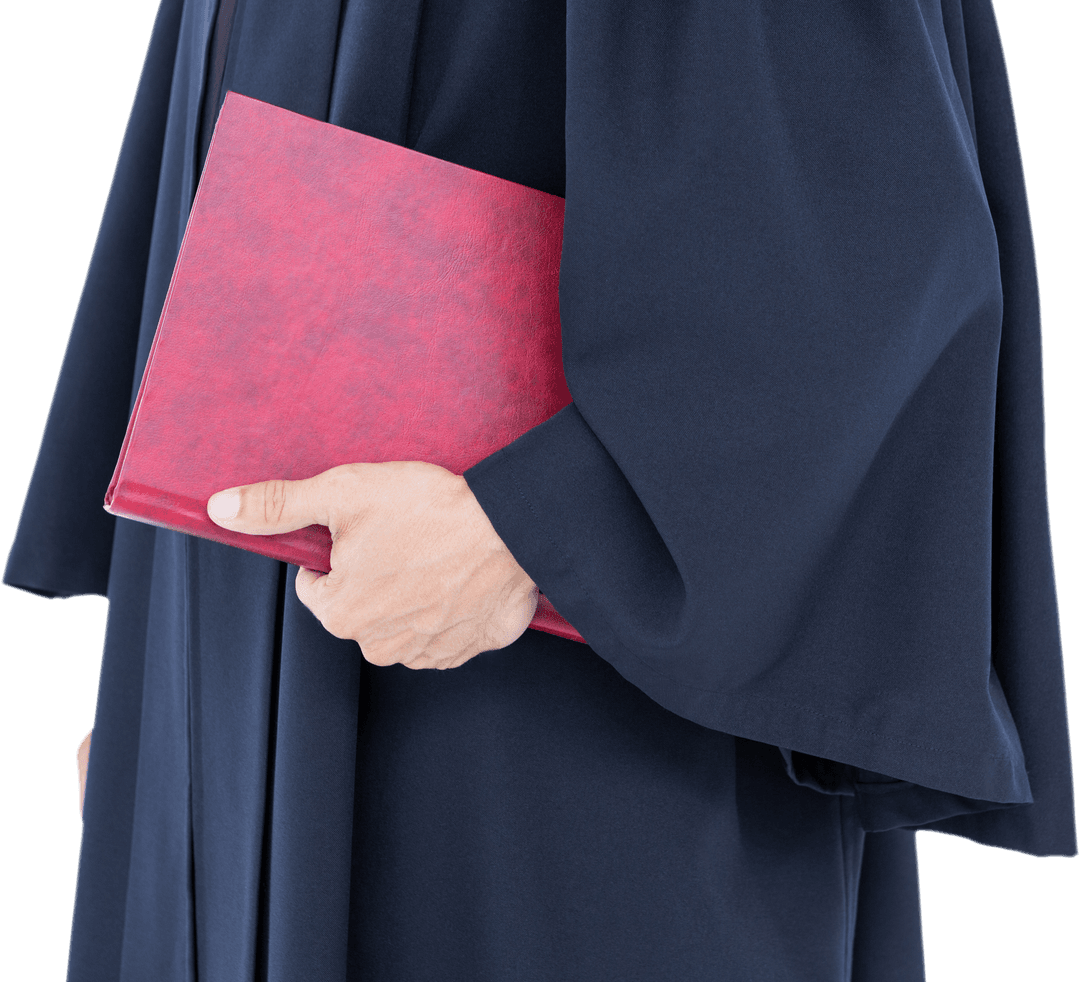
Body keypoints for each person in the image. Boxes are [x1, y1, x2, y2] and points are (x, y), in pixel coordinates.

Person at [6, 1, 1076, 980]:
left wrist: (533, 530)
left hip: (566, 729)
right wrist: (167, 694)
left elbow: (865, 243)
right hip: (265, 695)